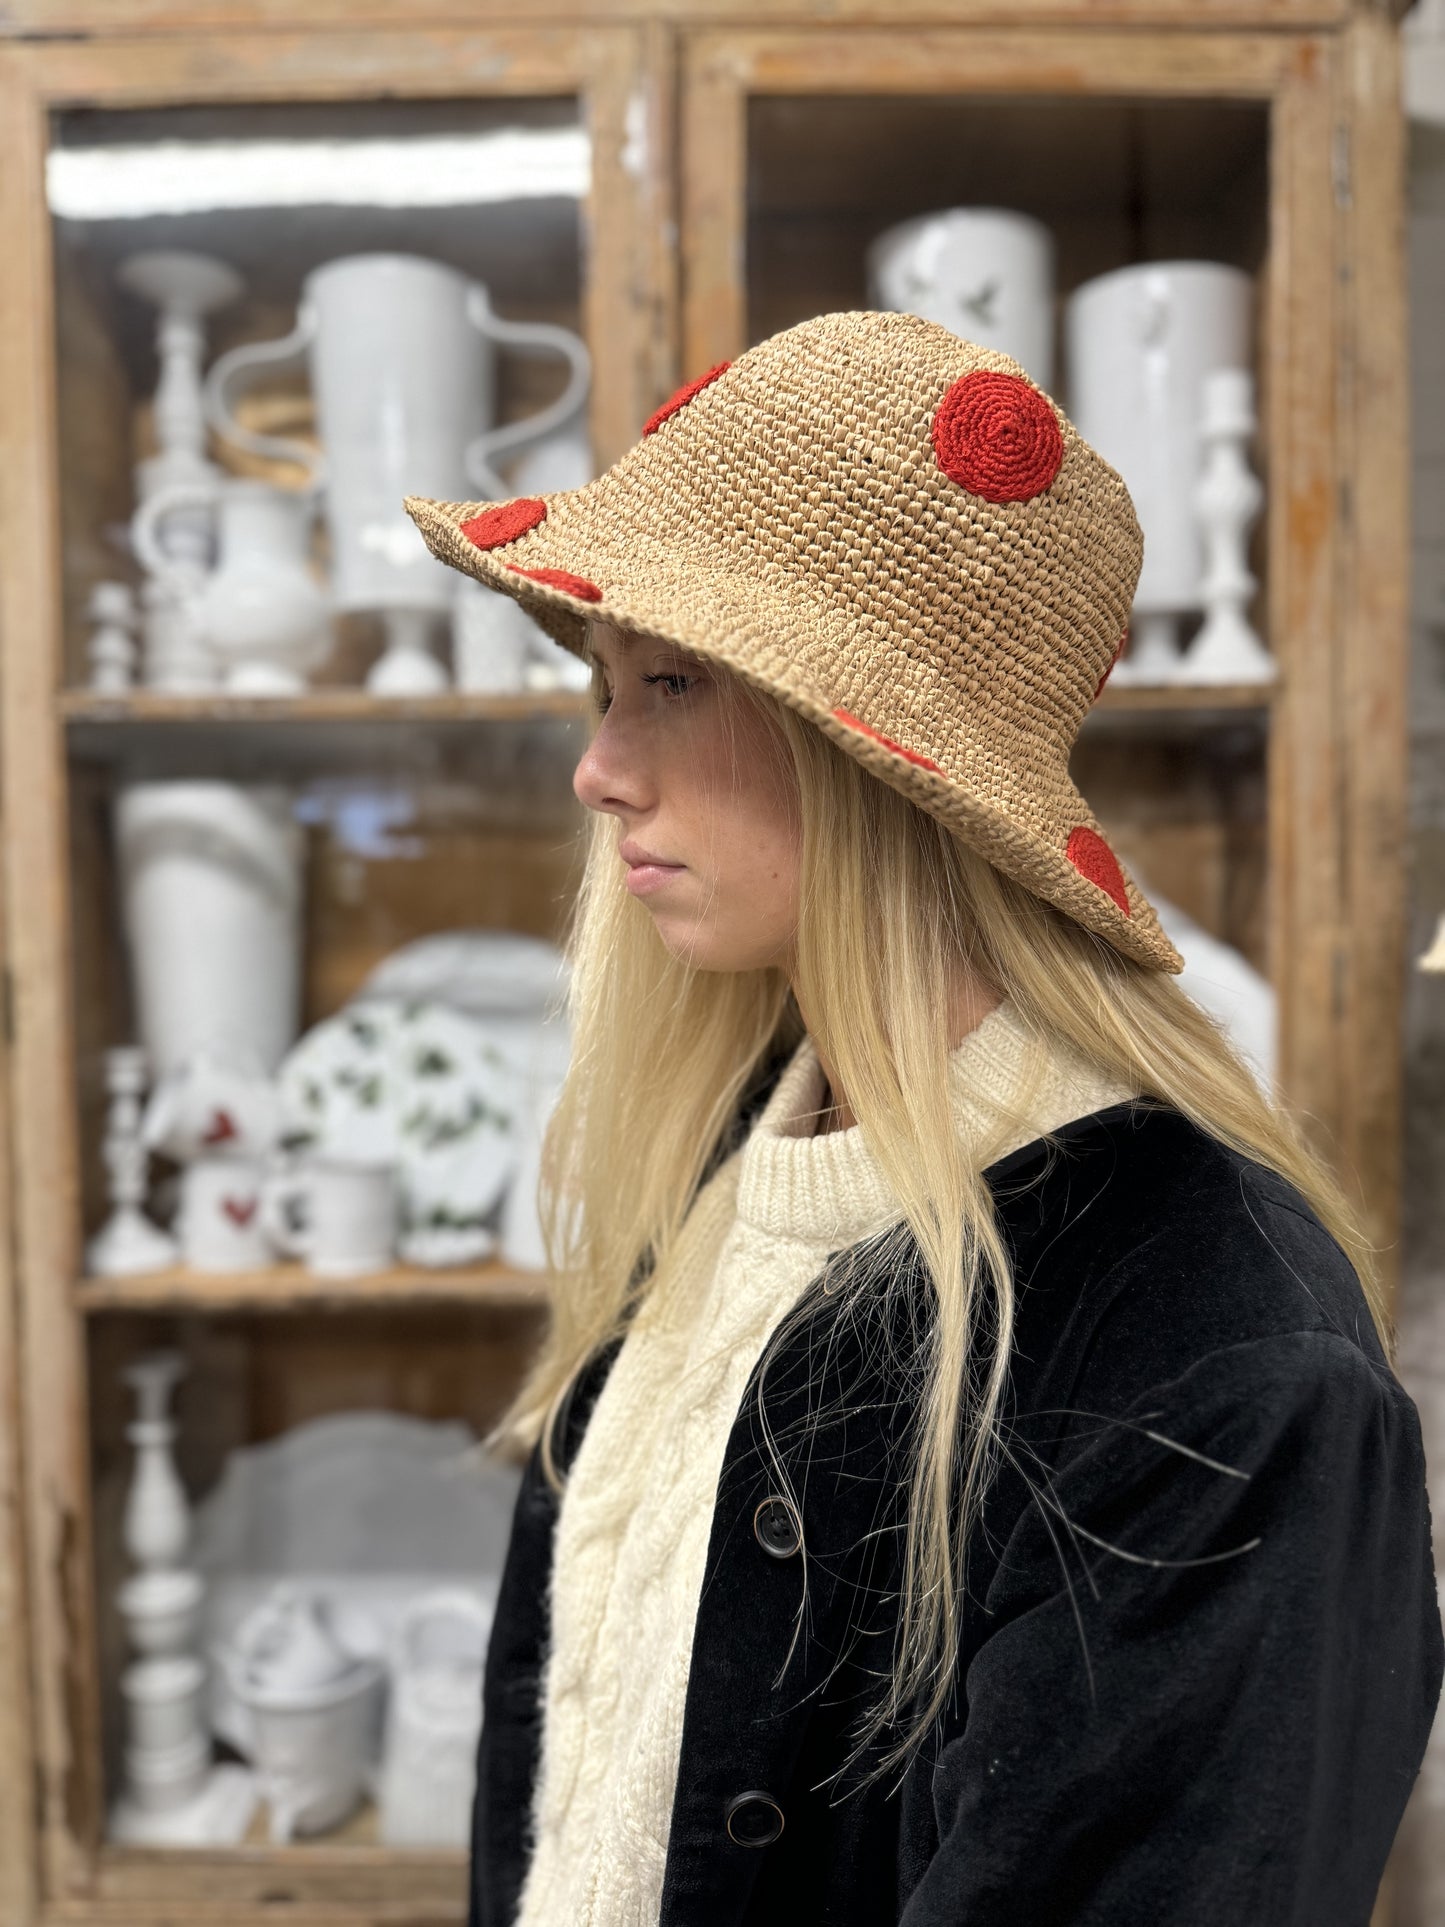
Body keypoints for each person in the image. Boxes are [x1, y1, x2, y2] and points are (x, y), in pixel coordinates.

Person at [406, 311, 1444, 1927]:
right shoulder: (732, 1151)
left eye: (671, 678)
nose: (596, 769)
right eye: (607, 688)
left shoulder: (1208, 1361)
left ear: (871, 751)